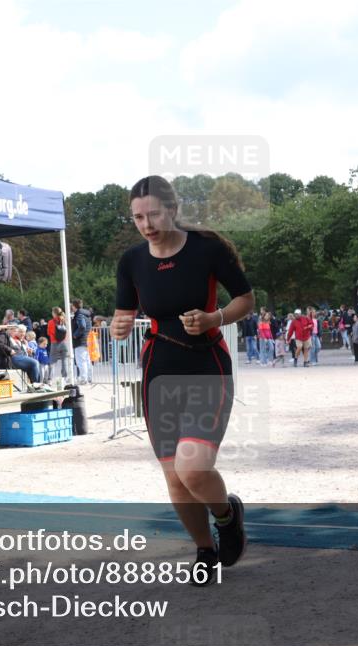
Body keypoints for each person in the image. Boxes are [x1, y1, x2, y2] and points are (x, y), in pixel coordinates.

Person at [111, 175, 252, 586]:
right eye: (138, 217)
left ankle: (226, 516)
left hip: (207, 363)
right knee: (174, 475)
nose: (146, 224)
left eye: (153, 213)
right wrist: (120, 324)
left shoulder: (206, 249)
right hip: (159, 368)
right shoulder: (132, 261)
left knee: (193, 468)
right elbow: (124, 312)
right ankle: (204, 549)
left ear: (172, 209)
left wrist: (215, 318)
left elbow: (246, 298)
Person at [71, 298, 93, 384]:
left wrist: (75, 335)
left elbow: (82, 326)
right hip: (86, 339)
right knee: (87, 360)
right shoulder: (86, 314)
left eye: (72, 305)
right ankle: (89, 378)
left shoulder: (79, 314)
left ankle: (84, 379)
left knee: (81, 361)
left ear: (74, 306)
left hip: (80, 340)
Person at [47, 307, 71, 381]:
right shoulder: (64, 320)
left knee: (52, 361)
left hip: (54, 343)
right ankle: (65, 377)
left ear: (54, 313)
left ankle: (50, 379)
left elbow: (48, 332)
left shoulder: (51, 322)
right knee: (64, 361)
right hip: (64, 343)